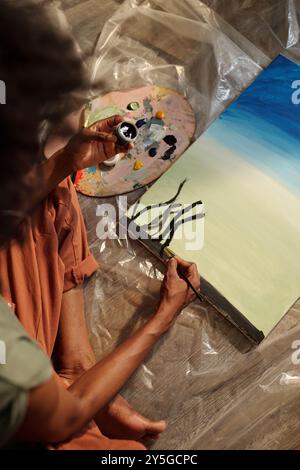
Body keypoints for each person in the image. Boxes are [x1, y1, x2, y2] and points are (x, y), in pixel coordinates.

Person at [0, 0, 200, 450]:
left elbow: (73, 368)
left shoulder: (52, 195)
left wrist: (91, 388)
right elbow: (59, 418)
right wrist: (162, 317)